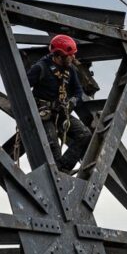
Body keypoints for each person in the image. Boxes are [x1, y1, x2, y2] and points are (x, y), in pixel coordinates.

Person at [27, 34, 91, 173]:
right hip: (44, 114)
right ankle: (58, 172)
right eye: (70, 55)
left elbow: (78, 91)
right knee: (53, 146)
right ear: (59, 55)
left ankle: (62, 167)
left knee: (84, 134)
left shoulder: (71, 70)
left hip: (62, 112)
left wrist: (72, 102)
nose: (73, 58)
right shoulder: (40, 68)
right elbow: (22, 90)